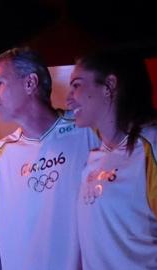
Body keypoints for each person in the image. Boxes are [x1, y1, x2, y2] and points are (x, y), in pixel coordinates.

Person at [67, 50, 157, 269]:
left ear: (109, 85)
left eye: (77, 85)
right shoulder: (94, 157)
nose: (68, 98)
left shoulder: (151, 146)